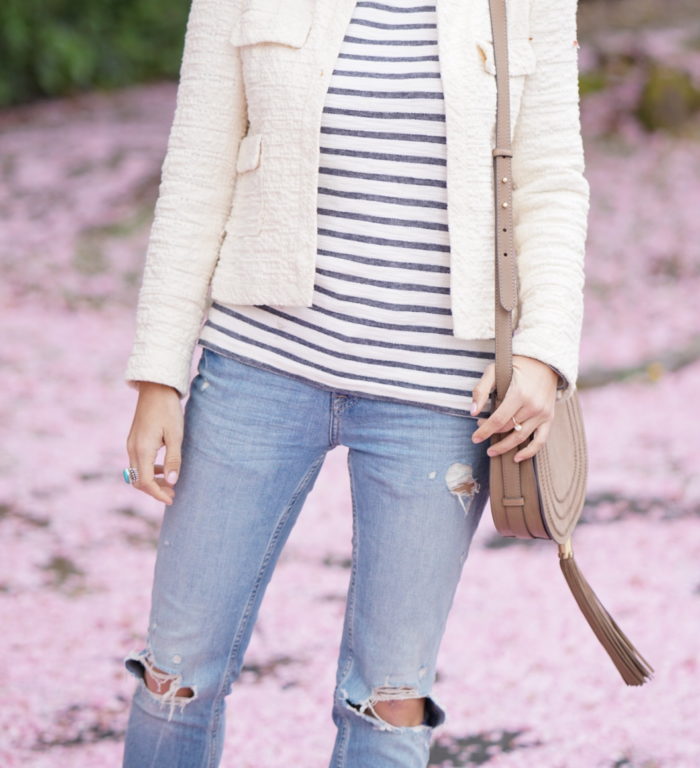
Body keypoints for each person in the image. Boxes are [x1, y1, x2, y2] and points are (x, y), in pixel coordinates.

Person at [120, 0, 589, 765]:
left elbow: (552, 178)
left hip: (440, 399)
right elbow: (199, 164)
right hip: (256, 369)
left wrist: (543, 351)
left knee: (389, 700)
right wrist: (158, 376)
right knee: (176, 674)